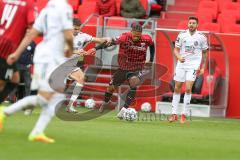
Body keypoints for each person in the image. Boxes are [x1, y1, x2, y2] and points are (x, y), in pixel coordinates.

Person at [0, 0, 74, 143]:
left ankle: (37, 132)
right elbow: (68, 35)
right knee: (45, 98)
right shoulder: (64, 8)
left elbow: (32, 33)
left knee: (56, 97)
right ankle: (4, 112)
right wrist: (70, 50)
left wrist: (17, 53)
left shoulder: (46, 9)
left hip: (46, 56)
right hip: (50, 58)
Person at [88, 23, 155, 119]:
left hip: (137, 67)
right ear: (131, 32)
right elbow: (109, 43)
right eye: (135, 35)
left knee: (134, 83)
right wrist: (95, 48)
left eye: (138, 36)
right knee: (110, 88)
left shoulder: (146, 39)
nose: (136, 38)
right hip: (123, 68)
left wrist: (151, 59)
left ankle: (124, 109)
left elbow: (152, 45)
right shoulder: (124, 37)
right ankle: (106, 102)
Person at [168, 16, 208, 124]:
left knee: (188, 88)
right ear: (188, 24)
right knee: (177, 88)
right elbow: (176, 50)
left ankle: (184, 114)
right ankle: (174, 114)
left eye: (193, 23)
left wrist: (203, 67)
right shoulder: (181, 35)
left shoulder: (202, 37)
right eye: (190, 23)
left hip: (193, 65)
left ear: (197, 25)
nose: (191, 24)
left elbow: (205, 53)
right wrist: (179, 57)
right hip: (182, 64)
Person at [66, 18, 110, 113]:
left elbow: (98, 40)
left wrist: (107, 39)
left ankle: (70, 105)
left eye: (78, 29)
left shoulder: (83, 36)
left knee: (81, 79)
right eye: (75, 29)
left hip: (70, 64)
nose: (77, 31)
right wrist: (76, 51)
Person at [0, 0, 37, 104]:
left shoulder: (3, 2)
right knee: (3, 82)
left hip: (4, 41)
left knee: (14, 79)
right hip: (6, 46)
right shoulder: (29, 4)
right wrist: (16, 53)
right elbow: (33, 31)